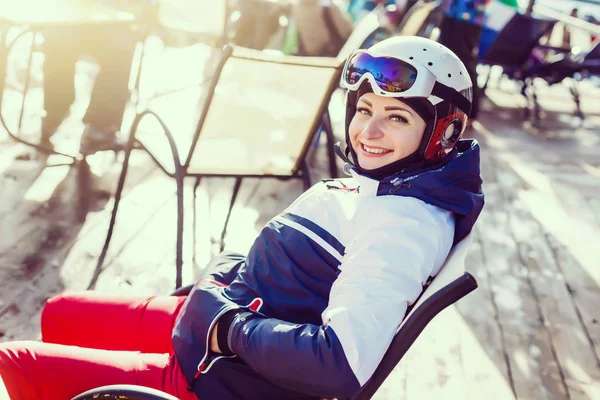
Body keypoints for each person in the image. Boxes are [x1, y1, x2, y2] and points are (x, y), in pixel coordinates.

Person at [0, 36, 484, 400]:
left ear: (445, 130)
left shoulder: (401, 227)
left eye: (397, 116)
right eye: (365, 109)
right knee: (58, 311)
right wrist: (220, 289)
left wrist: (227, 328)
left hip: (216, 372)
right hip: (221, 316)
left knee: (13, 363)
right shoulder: (394, 182)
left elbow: (338, 365)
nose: (368, 131)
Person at [39, 1, 156, 154]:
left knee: (121, 48)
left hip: (111, 20)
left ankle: (99, 128)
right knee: (59, 39)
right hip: (68, 17)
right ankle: (55, 111)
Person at [438, 0, 492, 123]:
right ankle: (445, 107)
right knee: (444, 59)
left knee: (466, 63)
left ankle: (471, 112)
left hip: (468, 18)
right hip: (451, 13)